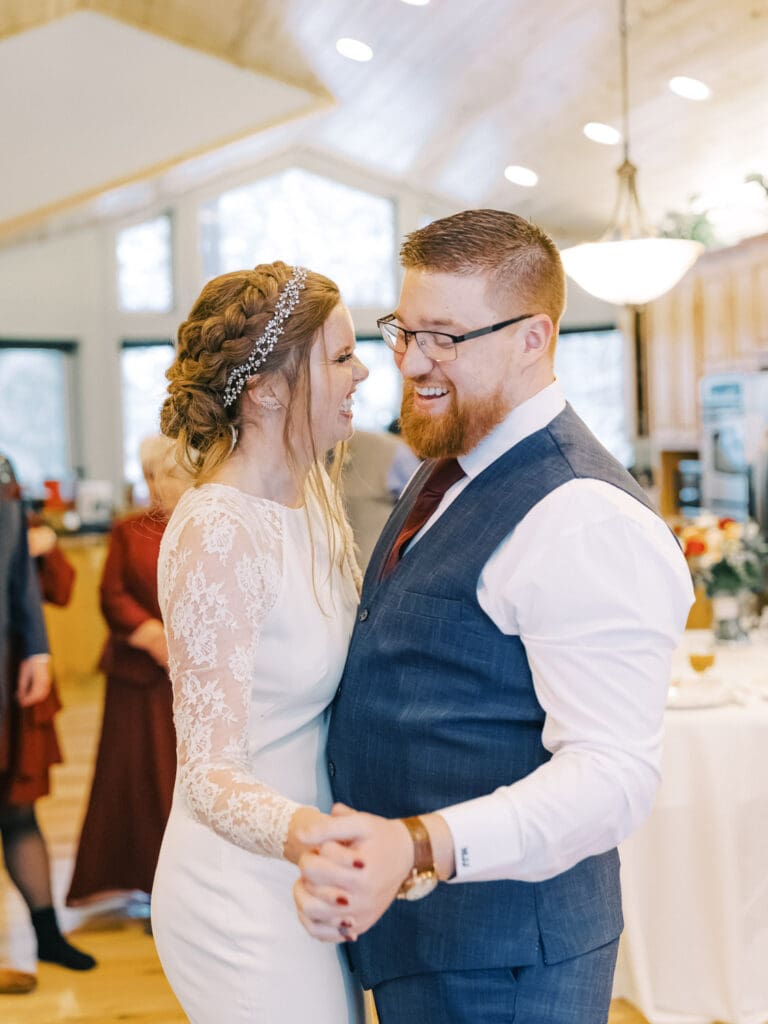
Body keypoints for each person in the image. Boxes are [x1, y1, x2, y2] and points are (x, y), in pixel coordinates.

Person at [293, 210, 695, 1023]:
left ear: (533, 337)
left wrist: (418, 844)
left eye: (444, 337)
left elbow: (613, 775)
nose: (410, 362)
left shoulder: (585, 516)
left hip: (506, 963)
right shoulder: (454, 460)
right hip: (423, 944)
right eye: (404, 331)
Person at [150, 261, 368, 1023]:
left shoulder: (310, 498)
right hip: (239, 887)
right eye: (340, 357)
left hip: (307, 872)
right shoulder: (220, 529)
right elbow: (208, 774)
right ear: (269, 388)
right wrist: (319, 836)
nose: (362, 370)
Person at [67, 436, 188, 908]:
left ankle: (183, 887)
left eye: (166, 473)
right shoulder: (127, 529)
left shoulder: (206, 524)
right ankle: (145, 880)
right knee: (137, 781)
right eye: (150, 474)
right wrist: (149, 633)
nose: (157, 484)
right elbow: (111, 593)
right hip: (138, 679)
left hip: (192, 678)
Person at [0, 453, 95, 978]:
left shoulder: (3, 469)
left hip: (7, 665)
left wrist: (37, 648)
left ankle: (46, 936)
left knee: (17, 807)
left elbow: (20, 571)